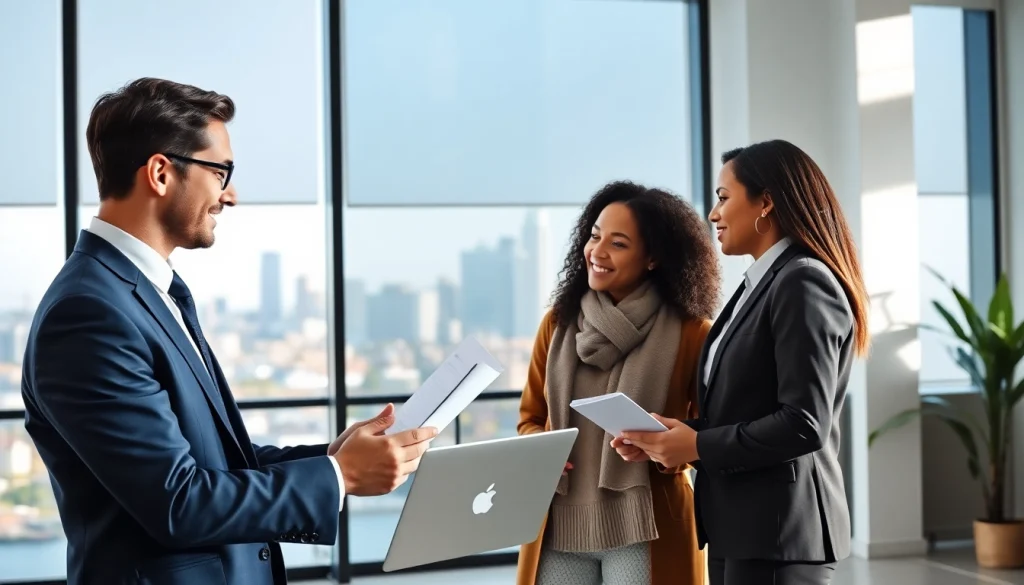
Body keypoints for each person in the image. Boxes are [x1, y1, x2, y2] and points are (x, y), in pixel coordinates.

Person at [20, 77, 437, 585]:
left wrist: (331, 457)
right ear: (160, 173)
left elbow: (212, 461)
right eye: (221, 171)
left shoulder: (149, 292)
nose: (231, 195)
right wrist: (339, 476)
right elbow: (178, 500)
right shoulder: (89, 314)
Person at [621, 139, 869, 585]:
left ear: (766, 202)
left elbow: (803, 422)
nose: (713, 214)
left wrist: (696, 446)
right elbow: (747, 411)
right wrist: (671, 438)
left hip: (779, 534)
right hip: (741, 528)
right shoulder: (761, 283)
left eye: (723, 197)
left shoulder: (803, 281)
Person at [516, 181, 721, 585]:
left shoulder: (692, 332)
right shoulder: (557, 324)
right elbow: (529, 419)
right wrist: (544, 447)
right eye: (594, 236)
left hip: (647, 527)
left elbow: (711, 434)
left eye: (619, 243)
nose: (597, 251)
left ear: (652, 258)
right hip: (557, 522)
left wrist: (665, 447)